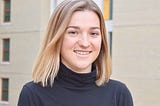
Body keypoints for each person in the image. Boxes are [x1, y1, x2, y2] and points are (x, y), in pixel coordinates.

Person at [18, 0, 133, 106]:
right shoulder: (33, 94)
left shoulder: (119, 94)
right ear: (56, 37)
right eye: (73, 32)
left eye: (93, 33)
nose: (85, 43)